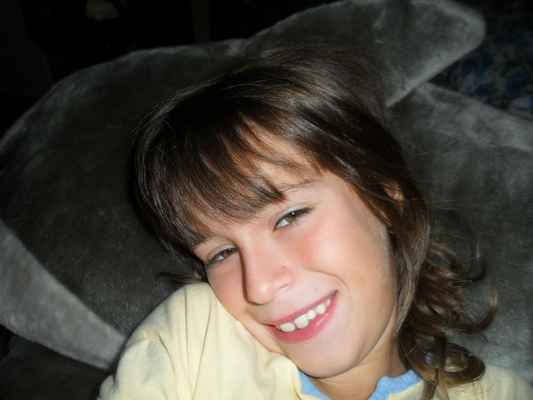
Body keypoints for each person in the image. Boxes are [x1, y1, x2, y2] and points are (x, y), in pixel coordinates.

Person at [98, 46, 533, 400]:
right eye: (223, 253)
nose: (260, 286)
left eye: (289, 217)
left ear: (386, 200)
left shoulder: (498, 395)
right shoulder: (195, 339)